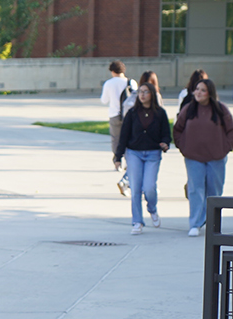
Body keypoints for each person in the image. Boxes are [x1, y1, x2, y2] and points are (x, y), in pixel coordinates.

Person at [174, 78, 233, 236]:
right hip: (193, 157)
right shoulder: (189, 109)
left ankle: (212, 222)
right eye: (197, 89)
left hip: (216, 158)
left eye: (202, 90)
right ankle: (195, 224)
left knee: (214, 192)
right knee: (195, 190)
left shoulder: (220, 109)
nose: (198, 93)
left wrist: (226, 147)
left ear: (209, 93)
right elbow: (177, 129)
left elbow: (230, 130)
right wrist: (183, 146)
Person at [114, 81, 171, 235]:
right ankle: (137, 222)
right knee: (135, 189)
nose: (142, 95)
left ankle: (152, 208)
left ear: (152, 94)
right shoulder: (132, 114)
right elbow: (124, 136)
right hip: (134, 153)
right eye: (140, 92)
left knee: (149, 187)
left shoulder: (160, 113)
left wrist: (165, 143)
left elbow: (166, 133)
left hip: (153, 153)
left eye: (146, 92)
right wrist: (118, 156)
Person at [100, 61, 136, 196]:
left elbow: (104, 100)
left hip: (114, 114)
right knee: (129, 139)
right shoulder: (130, 82)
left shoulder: (109, 83)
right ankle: (129, 162)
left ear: (112, 71)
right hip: (129, 116)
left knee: (116, 140)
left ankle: (117, 162)